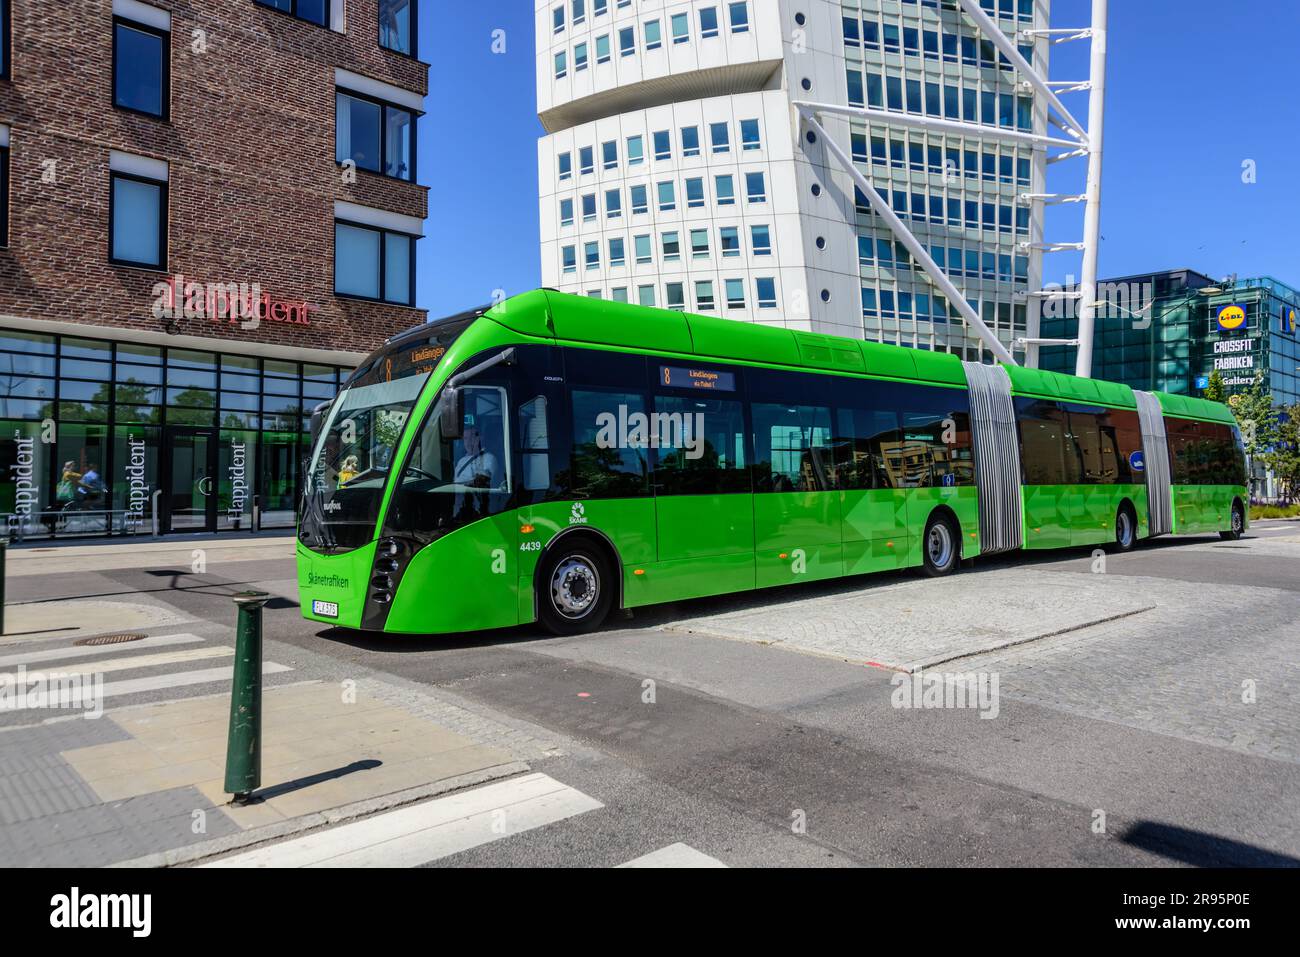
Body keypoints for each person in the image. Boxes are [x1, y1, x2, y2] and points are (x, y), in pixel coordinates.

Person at [453, 425, 500, 489]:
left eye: (472, 437)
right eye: (465, 438)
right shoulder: (461, 461)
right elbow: (454, 485)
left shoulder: (489, 459)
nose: (468, 442)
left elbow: (482, 484)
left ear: (479, 438)